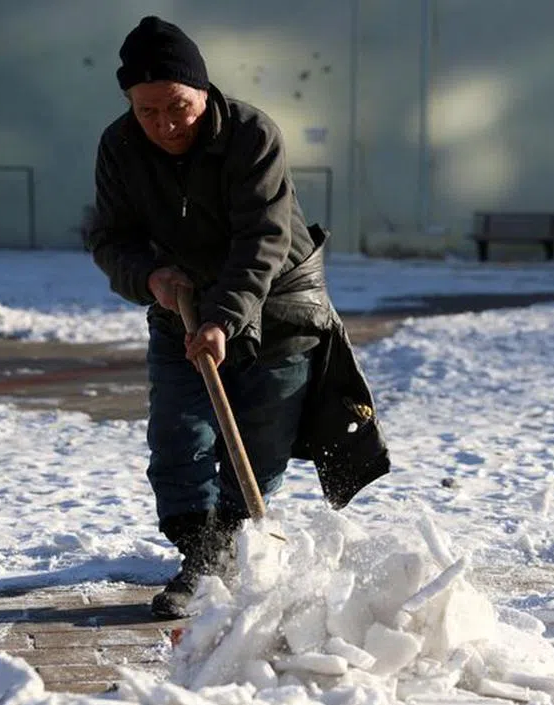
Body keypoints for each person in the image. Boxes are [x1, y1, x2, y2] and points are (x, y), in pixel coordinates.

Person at [85, 16, 389, 620]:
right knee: (178, 438)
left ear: (203, 91)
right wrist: (151, 278)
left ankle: (227, 551)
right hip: (181, 303)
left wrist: (222, 318)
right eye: (147, 111)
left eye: (178, 106)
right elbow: (110, 238)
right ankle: (201, 559)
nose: (165, 125)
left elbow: (263, 240)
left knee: (257, 441)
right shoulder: (120, 146)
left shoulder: (251, 135)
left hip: (279, 304)